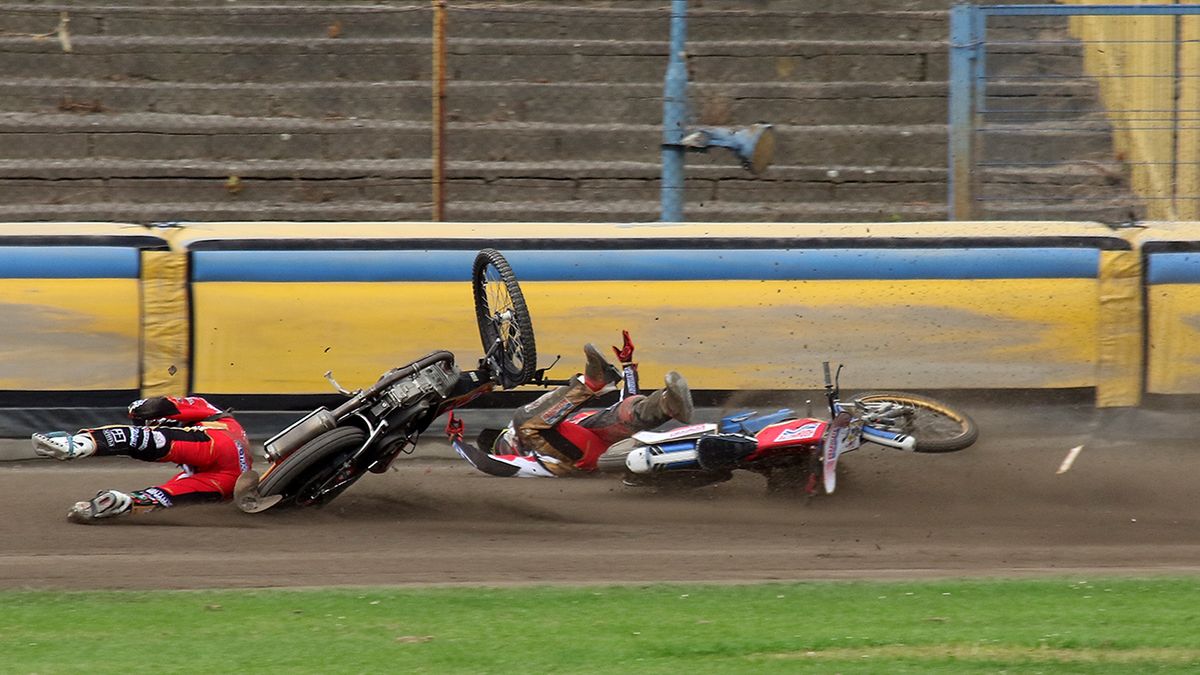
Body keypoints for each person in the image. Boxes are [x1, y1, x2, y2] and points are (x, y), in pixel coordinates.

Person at [450, 331, 694, 477]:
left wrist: (628, 366)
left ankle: (667, 404)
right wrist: (457, 442)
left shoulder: (565, 422)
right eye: (505, 443)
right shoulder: (524, 460)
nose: (509, 443)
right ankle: (591, 382)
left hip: (595, 442)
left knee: (623, 409)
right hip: (577, 460)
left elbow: (625, 402)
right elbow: (486, 463)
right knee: (523, 421)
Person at [31, 396, 251, 524]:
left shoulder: (203, 408)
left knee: (140, 440)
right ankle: (122, 503)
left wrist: (140, 411)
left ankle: (78, 444)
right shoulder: (223, 423)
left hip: (217, 443)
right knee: (164, 496)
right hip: (230, 482)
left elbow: (160, 405)